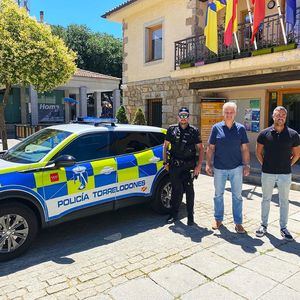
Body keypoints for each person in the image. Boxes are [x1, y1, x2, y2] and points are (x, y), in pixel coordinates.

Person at [255, 106, 300, 241]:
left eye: (283, 115)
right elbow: (258, 152)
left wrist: (288, 164)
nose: (280, 117)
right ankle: (263, 225)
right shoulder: (264, 133)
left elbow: (297, 154)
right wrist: (265, 164)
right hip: (267, 173)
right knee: (266, 200)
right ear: (273, 116)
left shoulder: (293, 134)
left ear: (285, 118)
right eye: (278, 115)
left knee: (284, 201)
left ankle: (283, 227)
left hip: (285, 174)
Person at [206, 102, 250, 233]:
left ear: (235, 113)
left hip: (236, 168)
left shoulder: (241, 128)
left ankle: (238, 223)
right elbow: (210, 148)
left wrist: (246, 164)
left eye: (231, 112)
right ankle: (218, 219)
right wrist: (208, 163)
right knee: (218, 195)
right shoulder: (216, 128)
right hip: (219, 168)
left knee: (237, 196)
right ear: (223, 113)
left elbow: (245, 148)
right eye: (226, 112)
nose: (229, 114)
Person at [163, 107, 204, 226]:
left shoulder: (194, 131)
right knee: (176, 191)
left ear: (189, 117)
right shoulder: (172, 129)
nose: (183, 118)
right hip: (175, 166)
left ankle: (190, 217)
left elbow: (201, 149)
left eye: (186, 115)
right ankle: (173, 215)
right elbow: (165, 146)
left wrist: (199, 166)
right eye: (181, 115)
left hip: (189, 167)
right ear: (178, 116)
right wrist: (165, 162)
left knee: (190, 191)